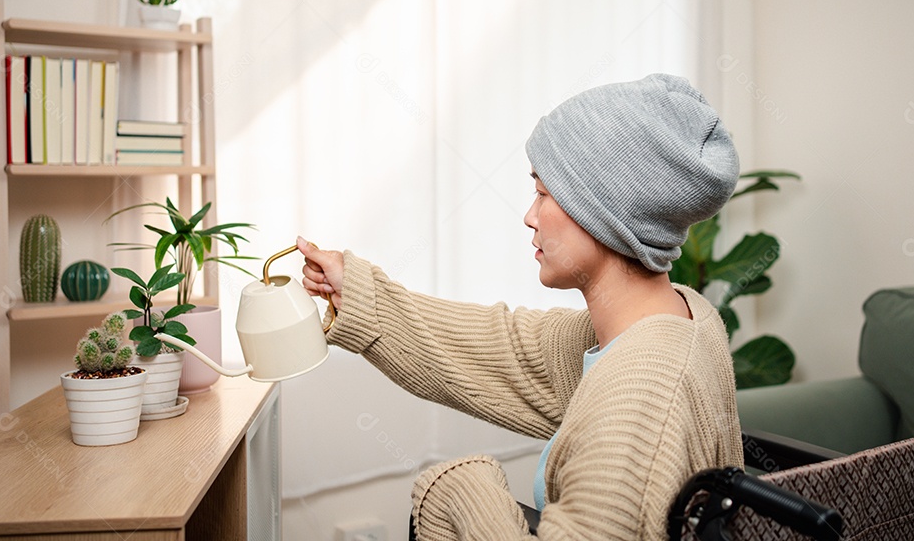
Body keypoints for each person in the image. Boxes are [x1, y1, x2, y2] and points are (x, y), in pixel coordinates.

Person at [298, 73, 743, 540]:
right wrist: (360, 295)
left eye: (544, 194)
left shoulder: (640, 397)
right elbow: (502, 348)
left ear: (604, 214)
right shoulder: (671, 320)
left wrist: (461, 489)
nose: (530, 216)